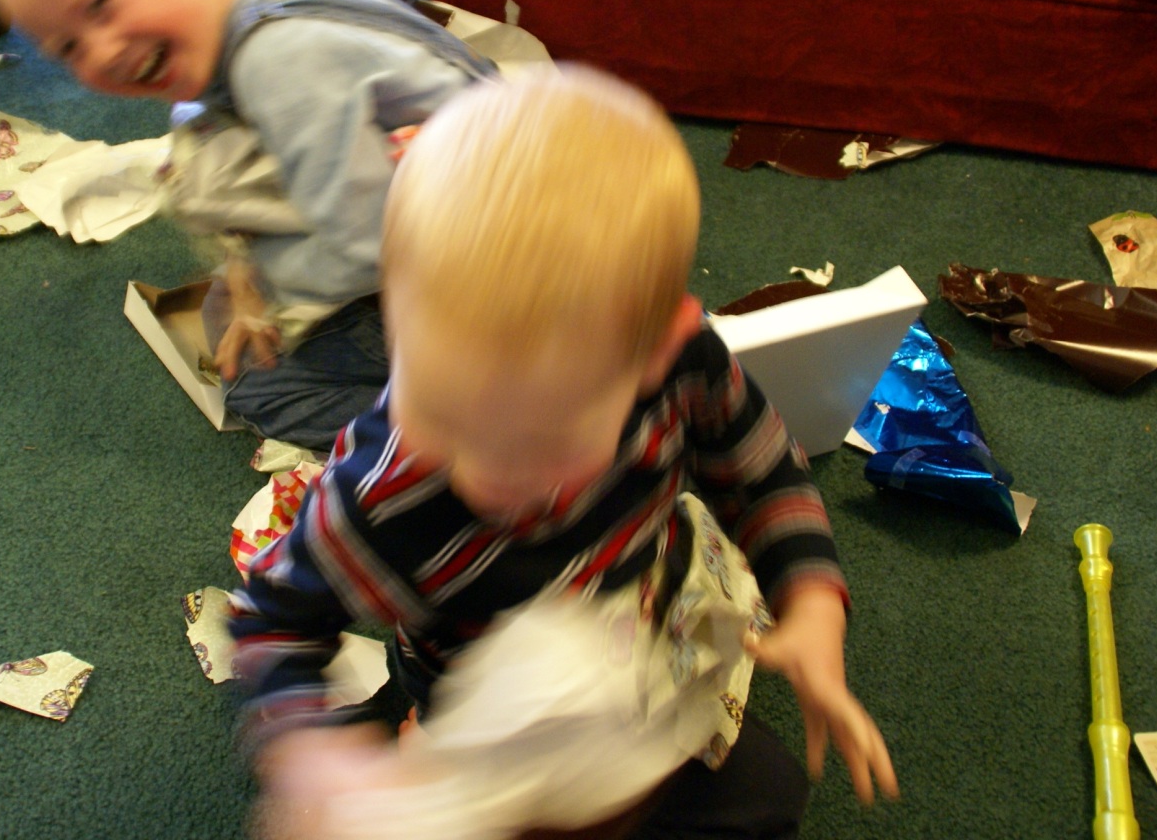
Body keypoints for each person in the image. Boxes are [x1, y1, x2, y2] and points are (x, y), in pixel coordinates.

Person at [226, 66, 897, 839]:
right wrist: (311, 755)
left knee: (768, 799)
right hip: (485, 721)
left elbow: (764, 471)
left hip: (649, 649)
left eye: (536, 440)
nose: (481, 472)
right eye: (436, 411)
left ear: (655, 354)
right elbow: (271, 623)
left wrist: (811, 608)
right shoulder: (381, 494)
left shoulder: (685, 368)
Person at [0, 0, 492, 446]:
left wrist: (266, 292)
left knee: (257, 385)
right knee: (235, 298)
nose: (102, 52)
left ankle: (497, 424)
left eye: (101, 5)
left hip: (508, 275)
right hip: (490, 204)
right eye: (68, 49)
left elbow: (365, 245)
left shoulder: (276, 61)